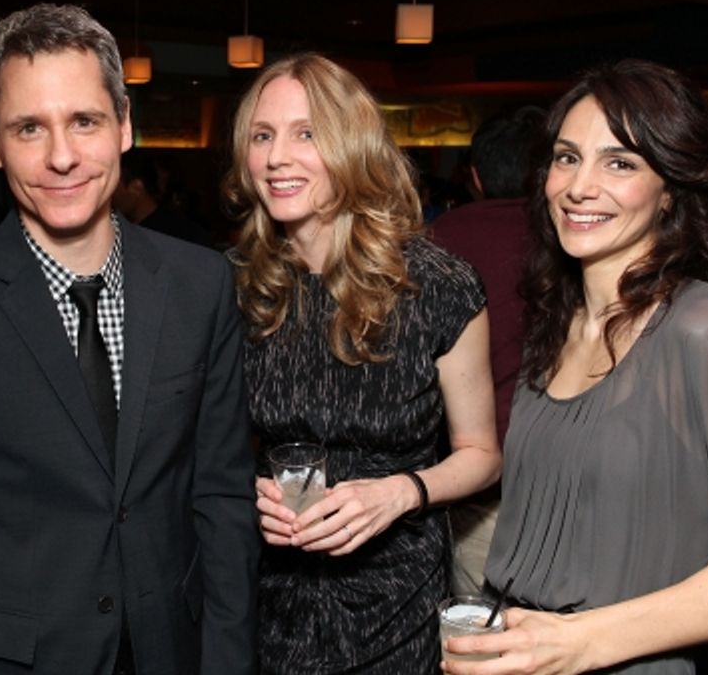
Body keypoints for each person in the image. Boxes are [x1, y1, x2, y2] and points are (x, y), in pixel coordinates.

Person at [0, 3, 259, 674]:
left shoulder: (200, 284)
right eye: (30, 128)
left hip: (174, 649)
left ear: (123, 126)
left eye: (84, 121)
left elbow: (222, 498)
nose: (61, 157)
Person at [452, 59, 708, 674]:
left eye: (620, 163)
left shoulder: (702, 331)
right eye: (566, 157)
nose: (579, 186)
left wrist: (584, 640)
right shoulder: (558, 323)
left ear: (671, 188)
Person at [223, 53, 501, 673]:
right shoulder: (235, 286)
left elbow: (482, 457)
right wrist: (249, 491)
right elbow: (210, 448)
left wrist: (404, 492)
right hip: (271, 594)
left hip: (396, 602)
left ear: (353, 146)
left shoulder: (438, 287)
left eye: (307, 134)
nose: (275, 157)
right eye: (262, 136)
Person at [430, 106, 544, 595]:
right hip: (566, 486)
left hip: (469, 489)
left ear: (474, 176)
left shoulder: (432, 244)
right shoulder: (578, 242)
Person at [112, 150, 212, 246]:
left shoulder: (176, 234)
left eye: (115, 187)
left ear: (136, 188)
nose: (110, 194)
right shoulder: (121, 229)